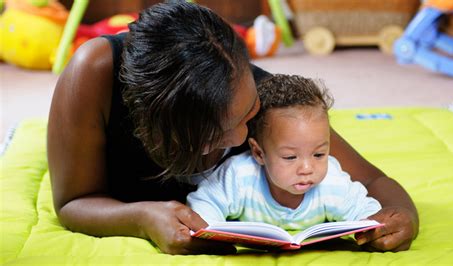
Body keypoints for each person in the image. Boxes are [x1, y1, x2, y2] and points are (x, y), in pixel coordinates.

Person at [47, 1, 418, 255]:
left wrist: (403, 217)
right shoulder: (93, 74)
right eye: (216, 134)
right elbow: (72, 201)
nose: (242, 138)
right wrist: (141, 218)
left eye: (248, 114)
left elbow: (373, 181)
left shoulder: (261, 98)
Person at [187, 74, 382, 230]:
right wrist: (212, 232)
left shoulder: (332, 181)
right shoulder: (239, 176)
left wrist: (371, 228)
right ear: (258, 153)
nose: (307, 168)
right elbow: (204, 204)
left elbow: (366, 209)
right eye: (290, 157)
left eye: (319, 154)